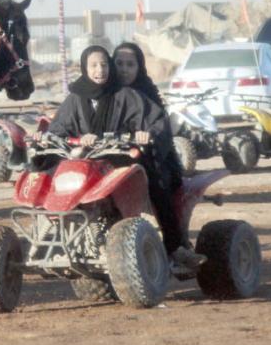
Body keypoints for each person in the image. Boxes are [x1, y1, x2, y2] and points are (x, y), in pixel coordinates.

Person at [45, 45, 194, 264]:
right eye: (94, 65)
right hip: (86, 160)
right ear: (84, 68)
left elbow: (156, 122)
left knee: (155, 182)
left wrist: (146, 134)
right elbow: (58, 128)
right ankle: (55, 238)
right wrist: (76, 138)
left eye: (104, 65)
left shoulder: (126, 95)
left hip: (122, 157)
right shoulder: (75, 98)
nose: (100, 70)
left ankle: (173, 246)